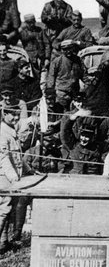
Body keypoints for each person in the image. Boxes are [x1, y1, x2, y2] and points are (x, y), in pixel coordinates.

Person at [0, 107, 34, 254]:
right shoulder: (2, 133)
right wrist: (13, 177)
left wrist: (28, 169)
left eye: (17, 115)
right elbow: (4, 158)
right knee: (3, 210)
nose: (15, 118)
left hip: (14, 177)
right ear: (4, 114)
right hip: (4, 177)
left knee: (9, 211)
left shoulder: (12, 131)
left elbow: (17, 156)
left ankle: (3, 242)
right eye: (12, 115)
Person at [60, 109, 102, 175]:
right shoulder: (73, 145)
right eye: (82, 136)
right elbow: (65, 132)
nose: (84, 139)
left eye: (87, 137)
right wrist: (72, 118)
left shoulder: (96, 149)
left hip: (90, 180)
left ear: (92, 138)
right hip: (74, 177)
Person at [47, 40, 84, 110]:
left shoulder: (77, 60)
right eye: (65, 50)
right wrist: (50, 93)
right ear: (61, 50)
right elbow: (51, 77)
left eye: (70, 48)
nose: (68, 51)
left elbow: (83, 75)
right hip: (61, 93)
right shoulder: (57, 61)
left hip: (74, 93)